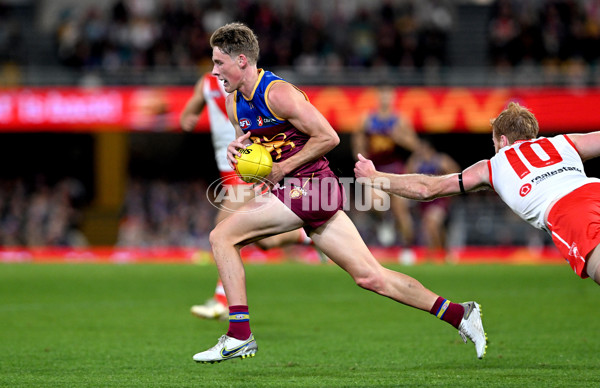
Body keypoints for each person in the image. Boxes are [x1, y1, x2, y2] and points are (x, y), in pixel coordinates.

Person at [192, 22, 486, 363]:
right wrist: (237, 154)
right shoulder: (234, 103)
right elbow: (253, 147)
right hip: (302, 191)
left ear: (242, 60)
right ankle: (461, 314)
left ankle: (239, 335)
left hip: (312, 188)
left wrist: (282, 169)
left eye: (219, 63)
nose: (214, 71)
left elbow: (329, 137)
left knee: (222, 237)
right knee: (371, 276)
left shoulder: (277, 93)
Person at [355, 102, 600, 286]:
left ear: (502, 140)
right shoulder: (564, 142)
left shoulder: (491, 166)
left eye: (493, 141)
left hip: (569, 211)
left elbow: (428, 188)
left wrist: (376, 178)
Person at [180, 72, 321, 320]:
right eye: (214, 62)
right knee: (263, 242)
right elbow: (190, 110)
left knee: (223, 229)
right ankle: (310, 234)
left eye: (220, 61)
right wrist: (188, 117)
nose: (216, 69)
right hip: (226, 169)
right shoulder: (206, 83)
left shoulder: (242, 86)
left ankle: (222, 301)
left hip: (248, 166)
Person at [352, 85, 419, 254]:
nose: (385, 98)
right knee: (374, 203)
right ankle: (384, 222)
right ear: (377, 96)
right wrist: (361, 159)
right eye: (382, 94)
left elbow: (414, 145)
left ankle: (407, 248)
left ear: (393, 97)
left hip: (396, 169)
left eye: (388, 95)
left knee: (401, 211)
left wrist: (399, 137)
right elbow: (357, 141)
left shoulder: (400, 120)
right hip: (376, 169)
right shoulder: (367, 119)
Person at [405, 139, 461, 260]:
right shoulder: (416, 162)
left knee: (432, 224)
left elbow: (456, 173)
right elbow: (406, 175)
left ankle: (436, 254)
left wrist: (447, 189)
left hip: (439, 199)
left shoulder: (440, 160)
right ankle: (444, 252)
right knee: (430, 228)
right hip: (424, 201)